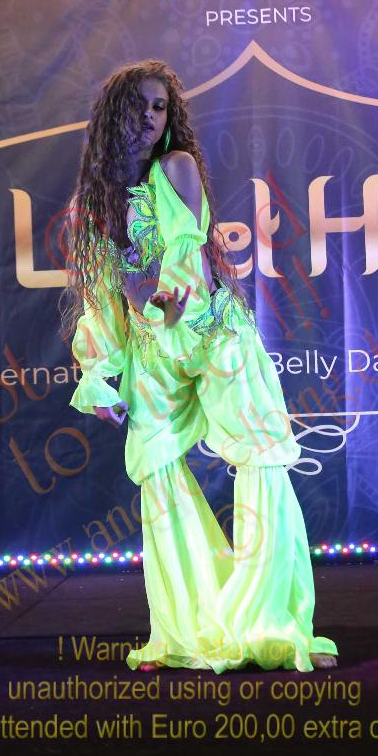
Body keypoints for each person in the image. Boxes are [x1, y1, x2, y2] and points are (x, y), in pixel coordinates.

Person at [60, 59, 338, 674]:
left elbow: (186, 246)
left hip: (212, 334)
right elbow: (102, 296)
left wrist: (164, 296)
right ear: (113, 116)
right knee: (158, 470)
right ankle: (183, 631)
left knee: (261, 455)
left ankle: (272, 625)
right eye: (138, 106)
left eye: (159, 107)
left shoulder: (176, 168)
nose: (149, 118)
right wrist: (98, 375)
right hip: (151, 347)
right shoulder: (93, 205)